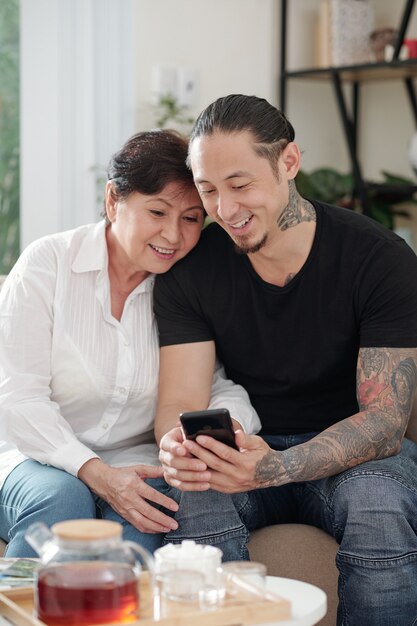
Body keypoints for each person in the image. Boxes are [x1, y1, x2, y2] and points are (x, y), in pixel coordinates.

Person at [153, 95, 417, 625]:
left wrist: (275, 467)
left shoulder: (378, 258)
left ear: (288, 162)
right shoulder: (192, 271)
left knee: (378, 502)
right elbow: (179, 402)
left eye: (241, 184)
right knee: (191, 493)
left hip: (355, 457)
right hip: (246, 448)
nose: (225, 210)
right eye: (208, 191)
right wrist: (176, 448)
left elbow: (386, 423)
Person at [0, 128, 260, 557]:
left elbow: (218, 386)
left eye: (191, 218)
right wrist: (95, 474)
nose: (173, 236)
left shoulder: (186, 288)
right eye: (157, 211)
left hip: (135, 463)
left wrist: (224, 431)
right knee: (63, 499)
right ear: (112, 201)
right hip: (31, 455)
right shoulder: (47, 265)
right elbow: (18, 398)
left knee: (148, 520)